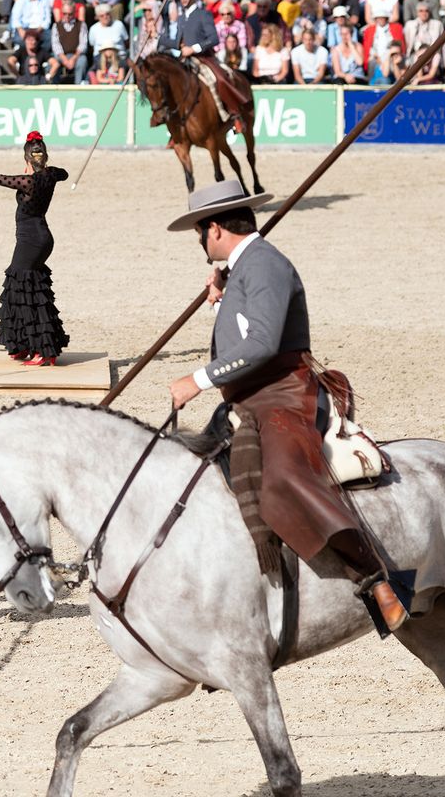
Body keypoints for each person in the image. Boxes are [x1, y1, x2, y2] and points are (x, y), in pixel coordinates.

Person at [167, 180, 407, 634]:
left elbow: (260, 344)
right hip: (252, 395)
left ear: (215, 228)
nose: (200, 242)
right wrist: (222, 297)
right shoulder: (245, 267)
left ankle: (374, 577)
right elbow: (243, 330)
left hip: (285, 394)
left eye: (200, 232)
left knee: (282, 479)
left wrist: (197, 380)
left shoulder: (265, 266)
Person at [0, 131, 70, 367]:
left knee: (21, 288)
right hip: (42, 238)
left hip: (31, 240)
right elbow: (63, 173)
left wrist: (27, 169)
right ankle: (25, 343)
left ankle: (43, 350)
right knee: (28, 289)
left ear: (27, 158)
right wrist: (46, 167)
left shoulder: (28, 181)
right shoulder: (51, 175)